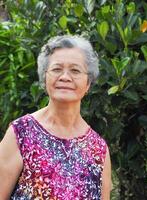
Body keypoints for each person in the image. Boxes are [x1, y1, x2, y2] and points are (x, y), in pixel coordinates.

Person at [0, 35, 111, 200]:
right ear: (44, 78)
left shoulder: (98, 150)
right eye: (57, 69)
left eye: (75, 70)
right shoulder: (20, 134)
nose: (65, 77)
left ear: (88, 83)